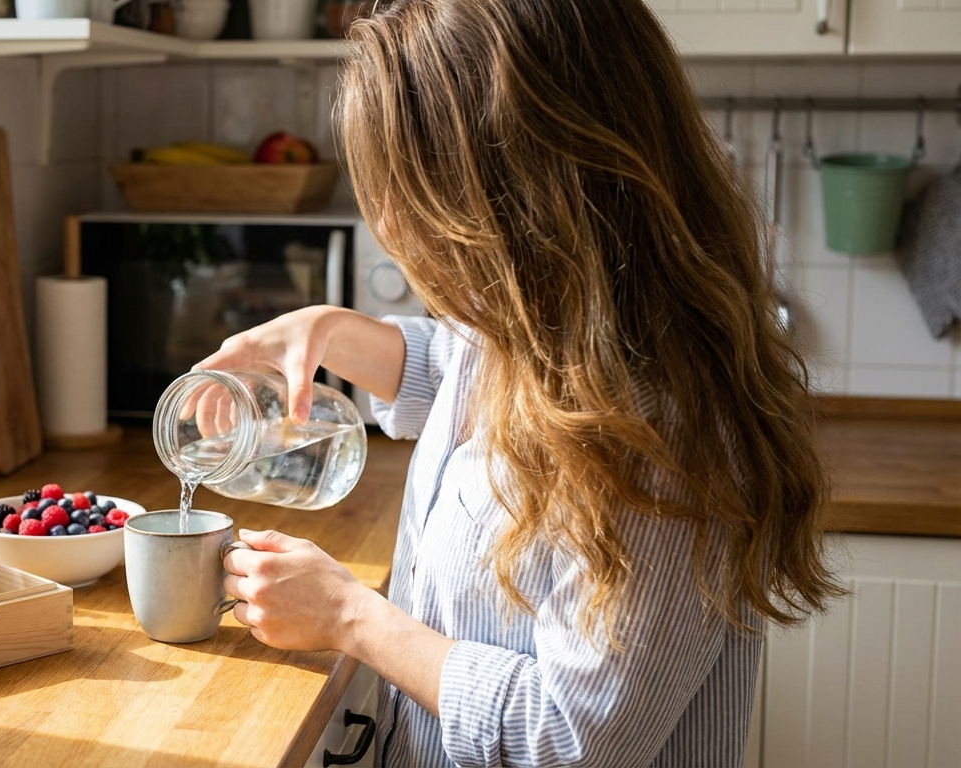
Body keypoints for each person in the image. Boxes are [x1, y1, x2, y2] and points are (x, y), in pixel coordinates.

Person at [196, 1, 843, 766]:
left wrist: (350, 618)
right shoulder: (531, 322)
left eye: (411, 193)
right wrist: (332, 332)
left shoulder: (663, 424)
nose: (393, 225)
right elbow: (458, 373)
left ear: (517, 189)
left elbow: (572, 740)